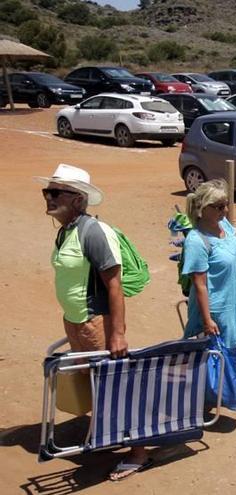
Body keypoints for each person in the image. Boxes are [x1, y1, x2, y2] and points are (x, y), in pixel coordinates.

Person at [35, 163, 150, 482]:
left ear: (77, 198)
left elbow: (114, 284)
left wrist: (118, 334)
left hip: (97, 323)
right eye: (47, 191)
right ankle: (105, 436)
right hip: (75, 322)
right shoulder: (65, 231)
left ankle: (139, 453)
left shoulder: (94, 232)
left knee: (116, 388)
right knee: (93, 385)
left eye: (55, 192)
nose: (48, 197)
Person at [182, 179, 236, 410]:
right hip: (218, 304)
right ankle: (226, 390)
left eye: (225, 205)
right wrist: (208, 320)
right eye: (219, 207)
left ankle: (235, 381)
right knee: (225, 350)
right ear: (202, 209)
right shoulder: (196, 241)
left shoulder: (225, 226)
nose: (225, 210)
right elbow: (199, 284)